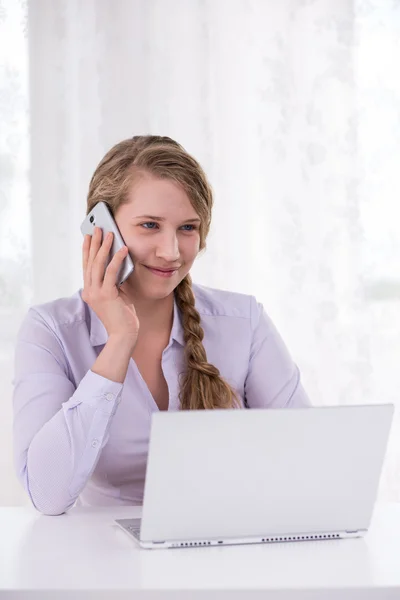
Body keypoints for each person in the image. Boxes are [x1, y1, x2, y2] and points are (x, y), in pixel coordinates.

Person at [12, 135, 311, 516]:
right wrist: (120, 341)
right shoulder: (52, 330)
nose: (171, 252)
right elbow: (47, 494)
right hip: (102, 559)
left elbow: (304, 457)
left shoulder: (243, 322)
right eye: (150, 225)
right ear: (99, 229)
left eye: (187, 228)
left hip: (225, 547)